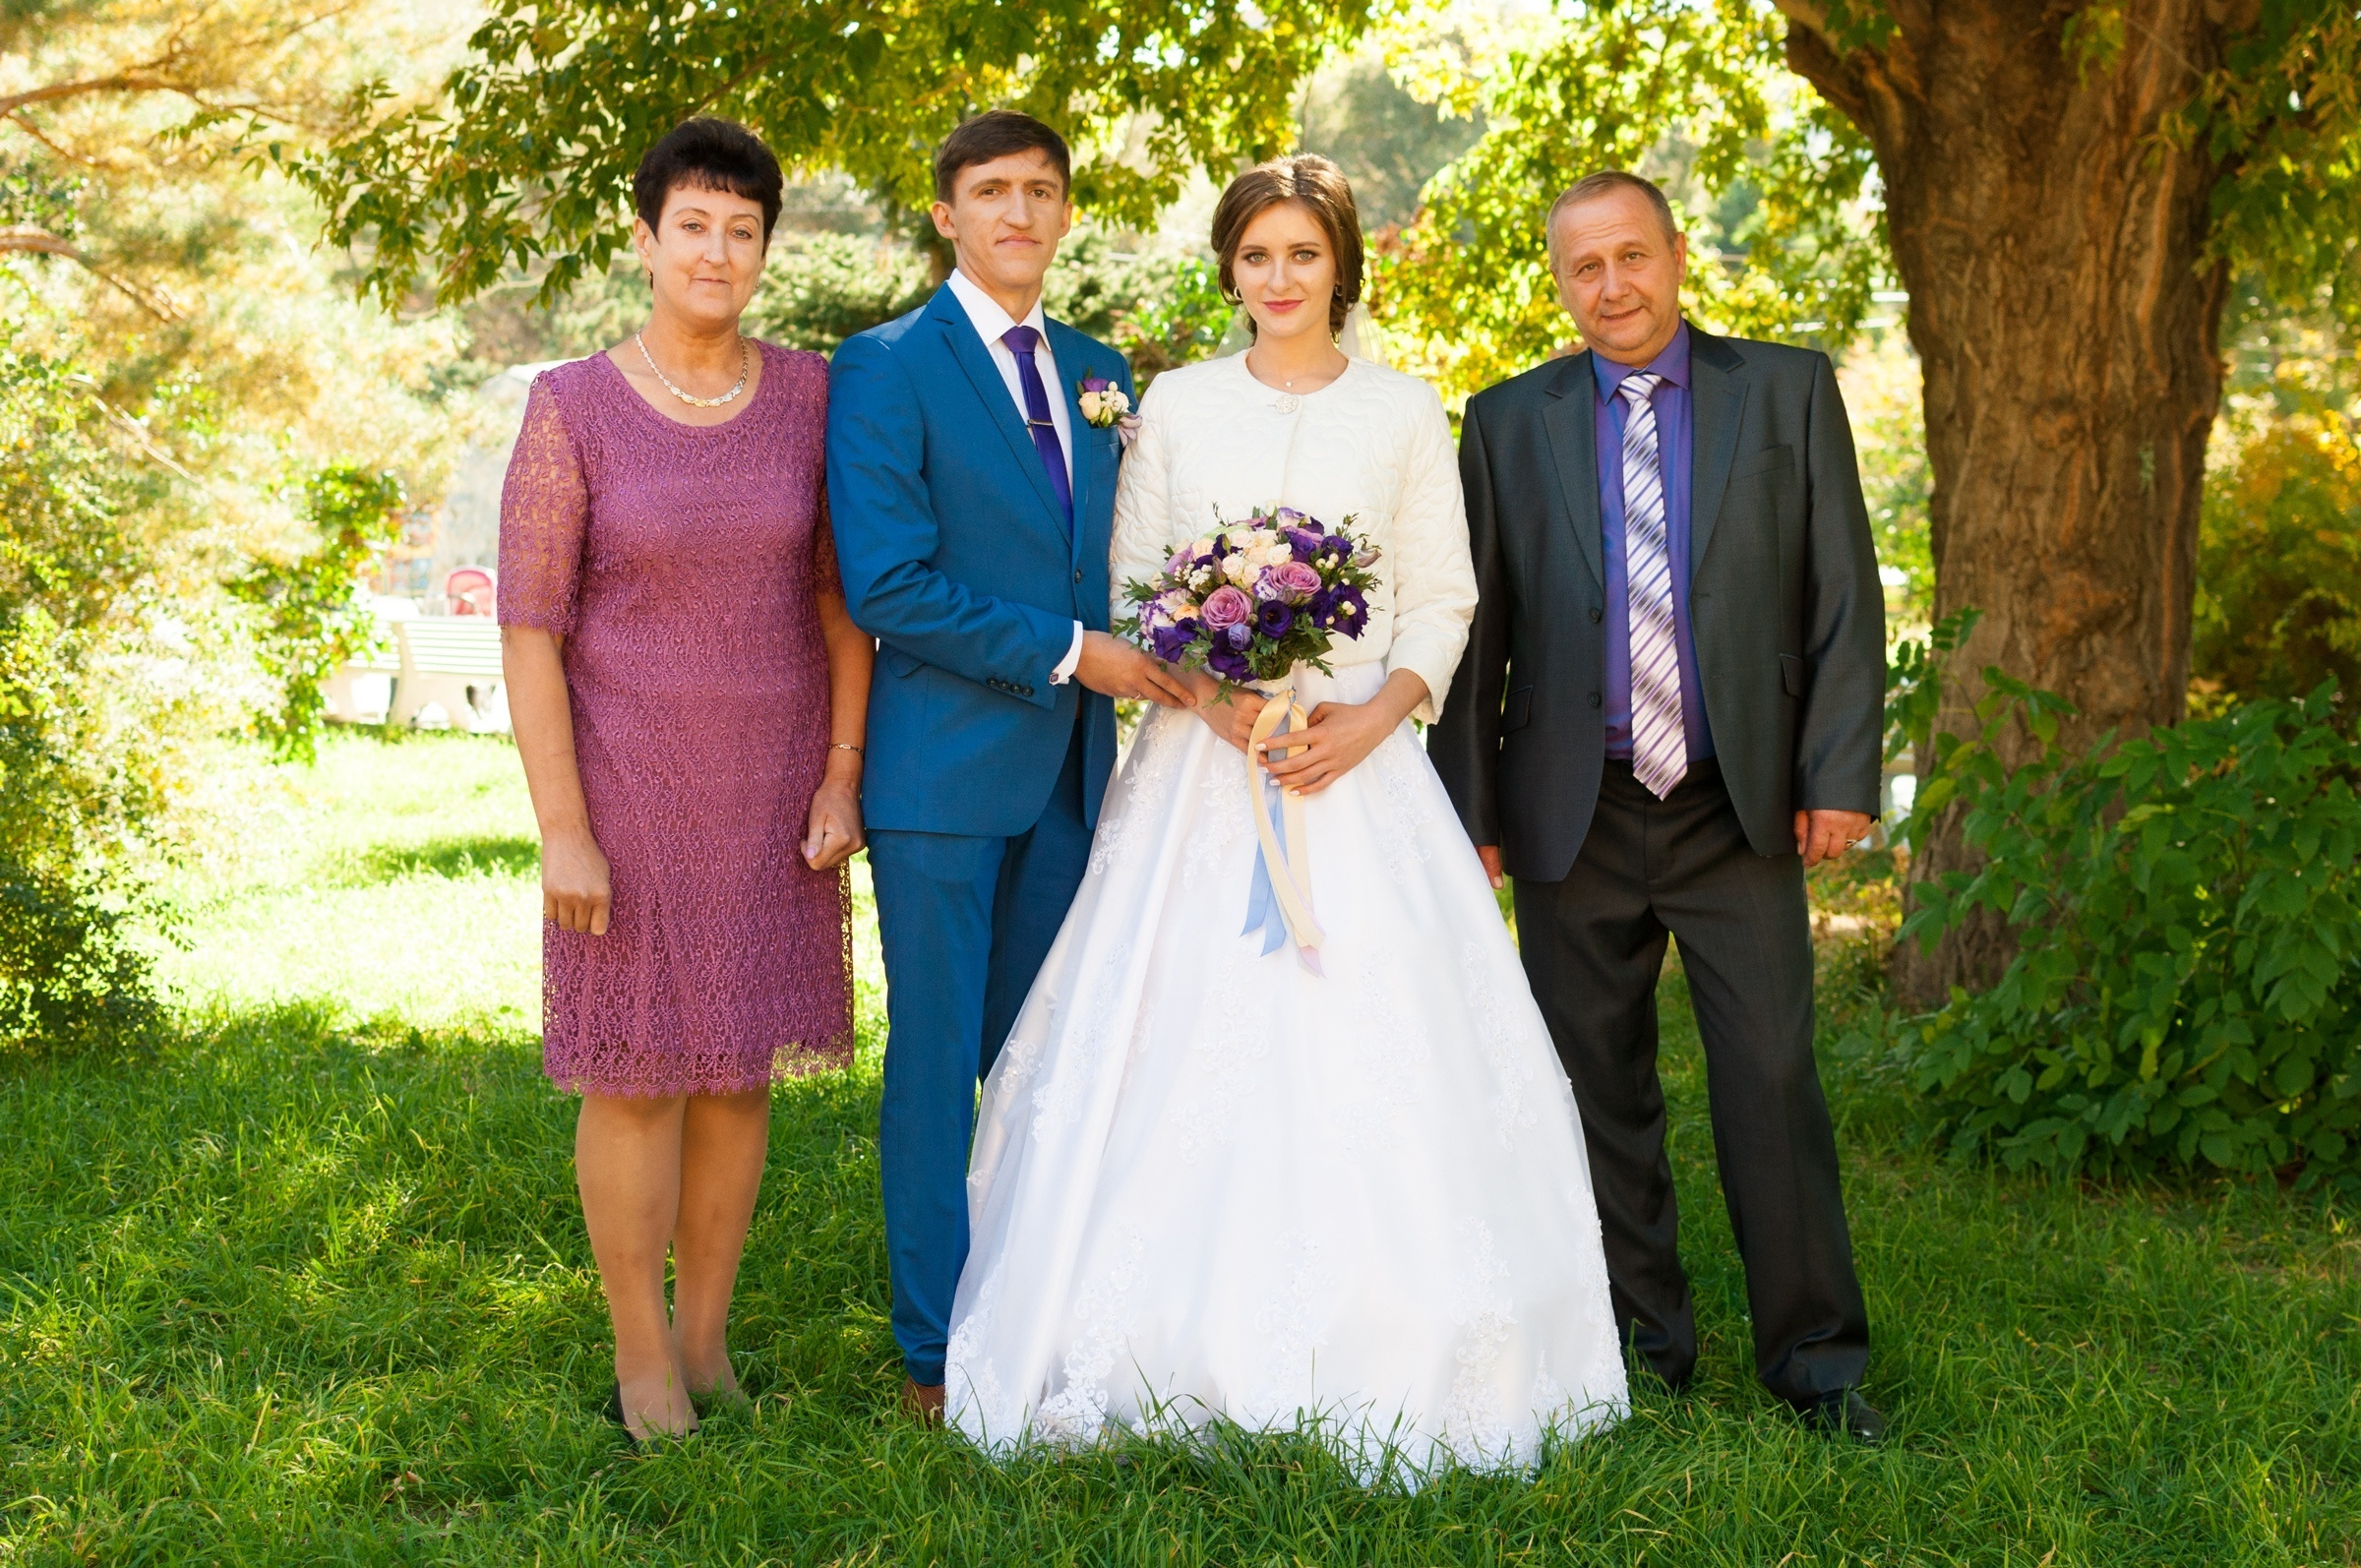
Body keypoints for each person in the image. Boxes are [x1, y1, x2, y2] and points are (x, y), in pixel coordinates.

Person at [940, 154, 1628, 1479]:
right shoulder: (1181, 408)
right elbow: (1141, 580)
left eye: (1302, 256)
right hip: (1206, 761)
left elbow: (1442, 595)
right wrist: (1219, 700)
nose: (1278, 279)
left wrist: (1372, 720)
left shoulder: (1403, 410)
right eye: (1255, 257)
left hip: (1358, 765)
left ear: (1339, 268)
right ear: (1230, 270)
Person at [1429, 170, 1888, 1442]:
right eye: (1586, 266)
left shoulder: (1785, 391)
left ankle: (1817, 1359)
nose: (1613, 285)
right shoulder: (1507, 421)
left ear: (1677, 256)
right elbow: (1480, 636)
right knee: (1593, 1084)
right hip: (1573, 805)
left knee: (1772, 1076)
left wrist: (1838, 775)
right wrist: (1471, 809)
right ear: (1560, 279)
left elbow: (1843, 596)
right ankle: (1639, 1340)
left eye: (1633, 256)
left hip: (1737, 803)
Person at [498, 117, 872, 1444]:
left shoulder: (818, 397)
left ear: (766, 248)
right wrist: (563, 829)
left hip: (773, 788)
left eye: (744, 228)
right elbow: (530, 629)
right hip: (626, 789)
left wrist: (841, 777)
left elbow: (843, 603)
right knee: (638, 1070)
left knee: (736, 1071)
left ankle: (708, 1340)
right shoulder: (571, 407)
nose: (718, 250)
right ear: (645, 239)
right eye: (694, 225)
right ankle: (640, 1350)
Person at [825, 111, 1193, 1423]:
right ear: (946, 213)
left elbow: (1128, 553)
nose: (1020, 213)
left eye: (1043, 191)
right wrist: (1068, 653)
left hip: (1077, 784)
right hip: (940, 781)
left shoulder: (1100, 369)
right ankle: (935, 1348)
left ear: (1065, 213)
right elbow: (890, 583)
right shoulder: (881, 368)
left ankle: (1036, 1310)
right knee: (935, 1069)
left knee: (1049, 1062)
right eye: (992, 191)